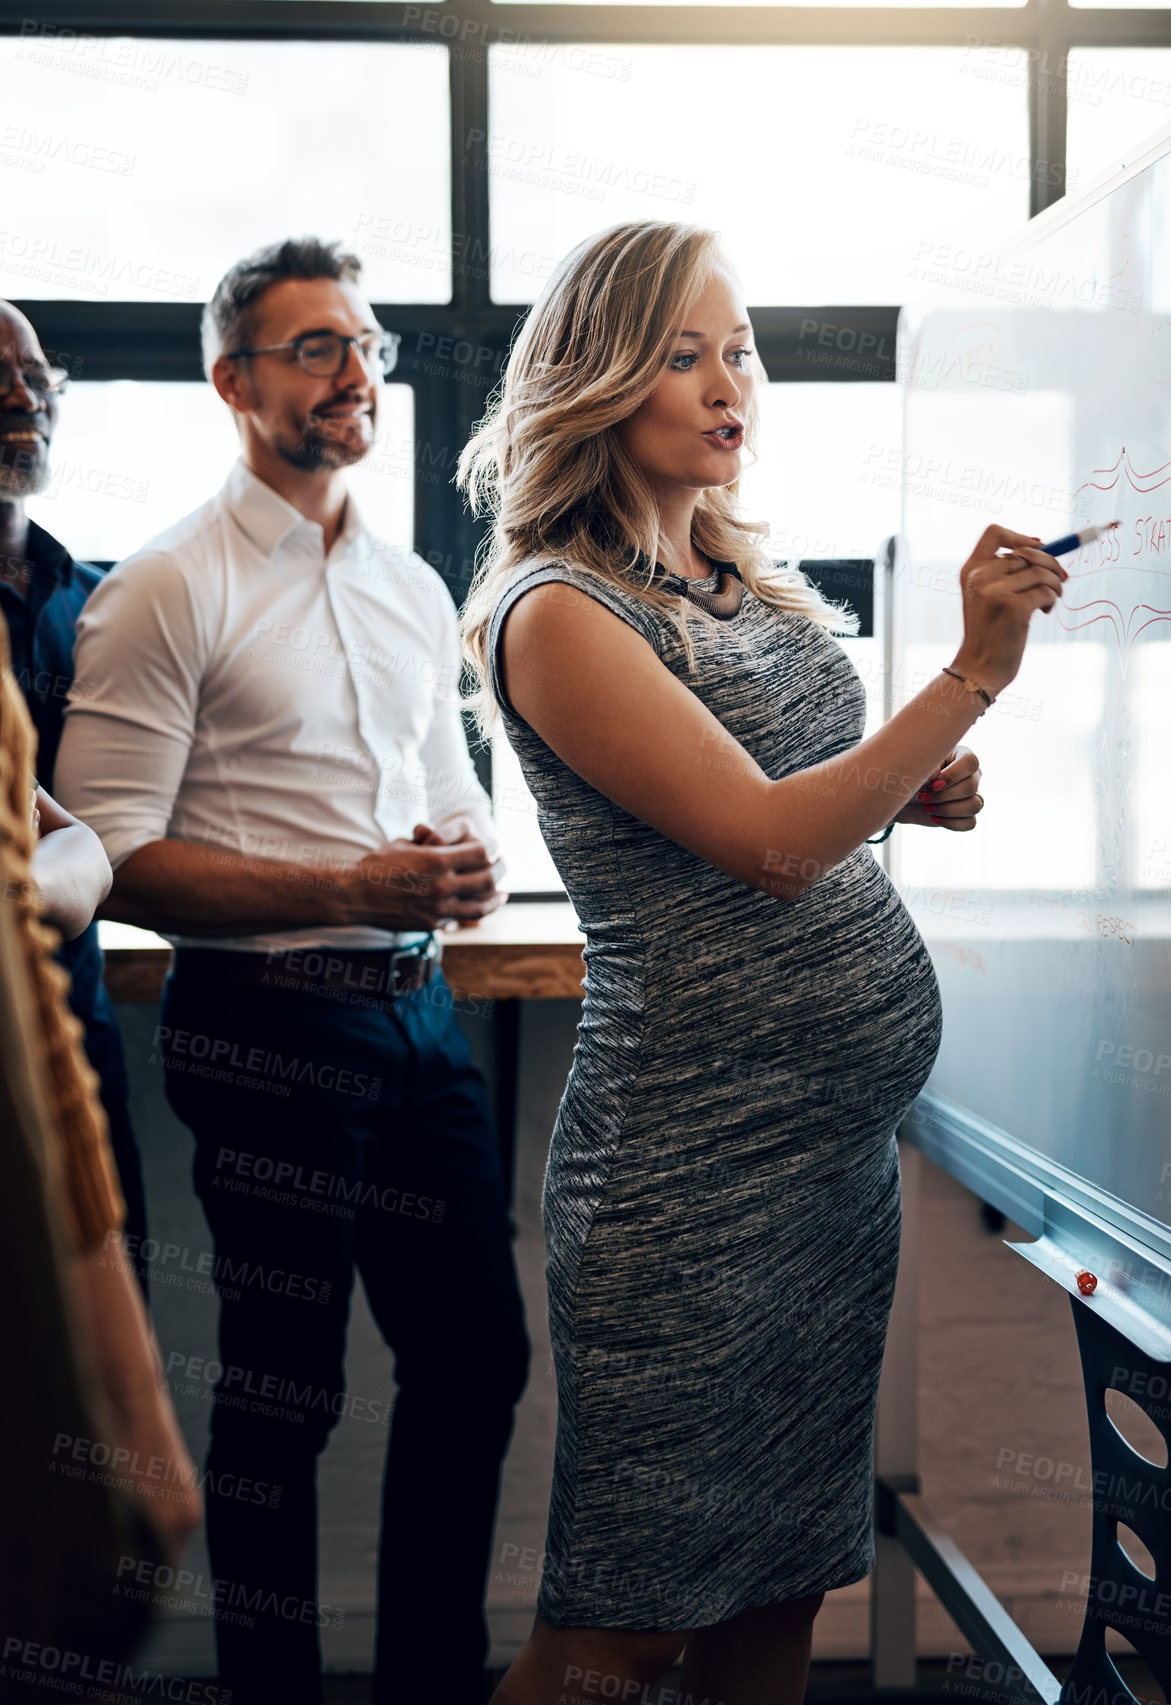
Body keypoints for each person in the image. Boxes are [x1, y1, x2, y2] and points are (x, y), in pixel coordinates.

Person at [456, 219, 1067, 1705]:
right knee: (620, 1622)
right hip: (688, 1179)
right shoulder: (557, 610)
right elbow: (768, 848)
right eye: (681, 354)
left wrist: (905, 785)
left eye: (738, 348)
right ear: (596, 381)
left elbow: (794, 800)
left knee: (778, 1592)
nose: (727, 382)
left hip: (823, 1173)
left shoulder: (736, 577)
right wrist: (968, 680)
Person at [56, 236, 531, 1705]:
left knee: (474, 1371)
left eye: (365, 344)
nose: (353, 372)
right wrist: (344, 883)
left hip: (423, 1022)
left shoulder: (403, 586)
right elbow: (112, 857)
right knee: (286, 1401)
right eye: (313, 346)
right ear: (232, 380)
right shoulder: (160, 590)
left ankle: (428, 1688)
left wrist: (466, 861)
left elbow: (450, 789)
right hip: (264, 1031)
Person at [0, 301, 150, 1294]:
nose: (24, 394)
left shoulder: (98, 603)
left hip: (75, 1047)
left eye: (37, 369)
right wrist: (77, 857)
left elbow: (130, 833)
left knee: (97, 1378)